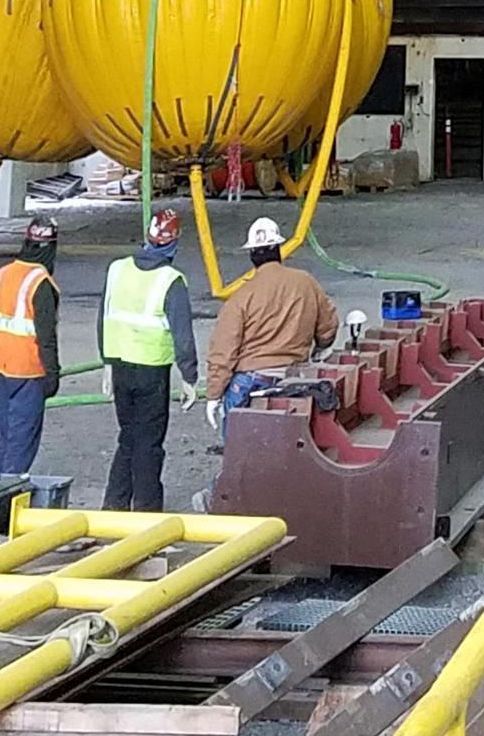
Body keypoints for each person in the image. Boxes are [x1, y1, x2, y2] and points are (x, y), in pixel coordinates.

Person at [99, 206, 198, 513]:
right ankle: (146, 512)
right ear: (174, 243)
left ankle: (113, 506)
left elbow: (103, 317)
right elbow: (183, 334)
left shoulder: (117, 269)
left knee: (128, 436)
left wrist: (106, 363)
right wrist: (189, 378)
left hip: (120, 368)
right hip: (152, 372)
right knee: (149, 443)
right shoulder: (171, 280)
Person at [206, 217, 339, 410]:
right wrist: (320, 348)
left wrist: (214, 394)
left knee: (239, 439)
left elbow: (223, 349)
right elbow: (328, 326)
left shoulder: (241, 297)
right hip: (293, 380)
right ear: (278, 249)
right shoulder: (306, 282)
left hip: (250, 381)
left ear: (252, 254)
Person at [0, 217, 62, 481]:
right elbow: (46, 336)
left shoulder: (4, 273)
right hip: (29, 371)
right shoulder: (40, 282)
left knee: (7, 438)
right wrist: (52, 375)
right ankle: (5, 503)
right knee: (21, 443)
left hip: (3, 368)